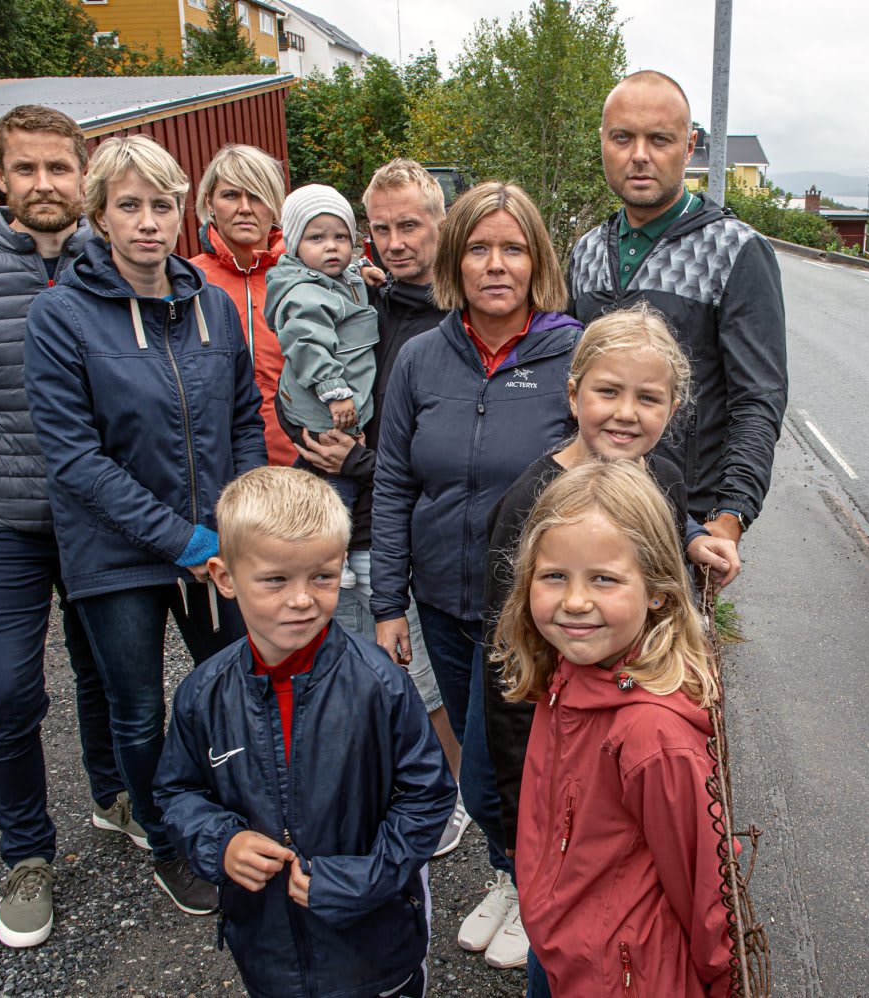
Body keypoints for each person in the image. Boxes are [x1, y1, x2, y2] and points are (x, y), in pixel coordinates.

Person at [0, 104, 137, 949]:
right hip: (1, 522)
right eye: (27, 168)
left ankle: (113, 794)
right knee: (8, 691)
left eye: (59, 168)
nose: (45, 184)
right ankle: (27, 856)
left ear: (83, 176)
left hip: (96, 520)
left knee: (108, 674)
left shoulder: (111, 264)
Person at [24, 134, 268, 916]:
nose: (147, 222)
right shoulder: (60, 315)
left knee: (234, 687)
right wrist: (181, 539)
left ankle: (237, 820)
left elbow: (243, 420)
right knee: (137, 709)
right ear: (99, 215)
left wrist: (231, 522)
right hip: (115, 553)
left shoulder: (211, 306)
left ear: (180, 211)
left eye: (161, 205)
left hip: (212, 546)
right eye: (128, 206)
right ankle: (168, 844)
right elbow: (75, 458)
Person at [370, 181, 581, 971]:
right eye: (479, 249)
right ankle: (508, 876)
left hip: (533, 612)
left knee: (514, 764)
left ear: (537, 261)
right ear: (455, 260)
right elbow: (393, 480)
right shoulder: (422, 357)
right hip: (442, 600)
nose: (496, 265)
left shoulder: (571, 353)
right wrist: (387, 601)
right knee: (479, 758)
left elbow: (620, 455)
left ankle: (538, 889)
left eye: (513, 248)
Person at [154, 466, 456, 998]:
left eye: (321, 577)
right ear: (224, 577)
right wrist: (222, 842)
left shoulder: (380, 684)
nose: (302, 599)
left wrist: (359, 879)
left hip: (375, 953)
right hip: (268, 953)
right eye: (276, 580)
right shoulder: (202, 694)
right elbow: (178, 791)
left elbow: (427, 797)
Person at [483, 303, 740, 855]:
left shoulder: (665, 479)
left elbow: (659, 556)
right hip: (559, 733)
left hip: (637, 730)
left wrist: (693, 540)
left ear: (672, 407)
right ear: (573, 394)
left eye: (648, 398)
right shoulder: (530, 502)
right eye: (608, 392)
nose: (626, 414)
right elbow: (507, 666)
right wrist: (518, 818)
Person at [490, 460, 733, 997]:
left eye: (604, 578)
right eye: (555, 576)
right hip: (563, 947)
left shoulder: (653, 737)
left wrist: (723, 985)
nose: (576, 602)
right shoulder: (567, 669)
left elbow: (706, 895)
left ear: (657, 590)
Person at [289, 158, 464, 857]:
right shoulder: (365, 303)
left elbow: (445, 450)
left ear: (441, 222)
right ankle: (392, 786)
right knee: (364, 669)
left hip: (411, 531)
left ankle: (450, 793)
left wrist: (356, 464)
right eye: (381, 229)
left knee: (424, 679)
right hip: (350, 523)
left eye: (409, 226)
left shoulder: (456, 320)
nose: (393, 243)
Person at [567, 69, 788, 546]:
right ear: (602, 142)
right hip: (588, 506)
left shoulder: (735, 252)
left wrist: (732, 513)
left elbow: (757, 397)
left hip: (683, 523)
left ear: (688, 148)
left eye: (659, 139)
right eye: (622, 138)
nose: (639, 155)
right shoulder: (585, 251)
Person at [264, 183, 379, 587]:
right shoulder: (303, 293)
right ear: (295, 245)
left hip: (329, 399)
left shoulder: (336, 277)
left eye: (341, 237)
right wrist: (335, 390)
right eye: (316, 238)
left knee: (312, 472)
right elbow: (307, 343)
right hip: (326, 402)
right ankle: (332, 553)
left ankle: (302, 535)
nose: (331, 247)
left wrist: (362, 271)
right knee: (338, 475)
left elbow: (345, 282)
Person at [190, 144, 293, 465]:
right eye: (231, 195)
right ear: (209, 202)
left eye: (257, 196)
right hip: (215, 467)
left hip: (299, 465)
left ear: (275, 205)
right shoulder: (186, 282)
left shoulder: (304, 276)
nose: (245, 208)